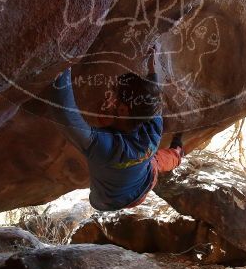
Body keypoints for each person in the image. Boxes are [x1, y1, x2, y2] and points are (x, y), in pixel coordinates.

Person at [47, 46, 184, 211]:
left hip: (109, 201)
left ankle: (176, 154)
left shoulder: (105, 147)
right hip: (147, 178)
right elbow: (152, 101)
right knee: (163, 159)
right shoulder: (153, 130)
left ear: (123, 110)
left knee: (156, 160)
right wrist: (151, 67)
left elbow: (64, 113)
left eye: (114, 93)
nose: (109, 92)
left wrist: (64, 60)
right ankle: (178, 151)